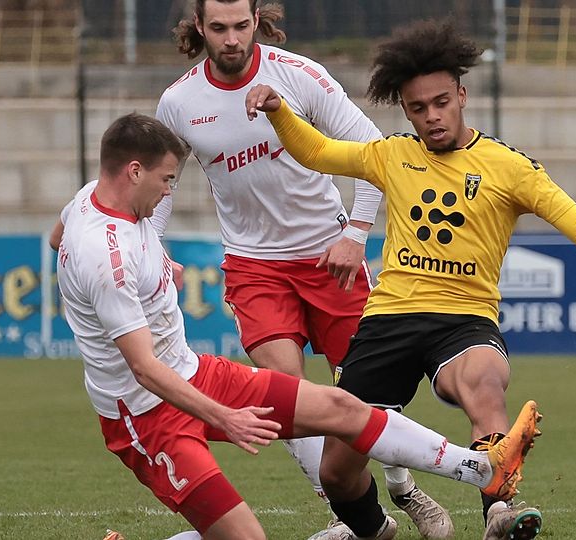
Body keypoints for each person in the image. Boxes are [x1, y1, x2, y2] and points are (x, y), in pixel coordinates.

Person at [245, 19, 576, 540]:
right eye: (418, 108)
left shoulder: (509, 167)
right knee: (336, 471)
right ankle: (374, 529)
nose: (432, 116)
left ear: (462, 96)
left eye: (441, 102)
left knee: (484, 384)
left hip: (464, 318)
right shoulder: (391, 155)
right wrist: (280, 111)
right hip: (389, 319)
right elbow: (317, 152)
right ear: (406, 110)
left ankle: (499, 509)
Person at [56, 112, 541, 540]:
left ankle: (483, 468)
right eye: (165, 179)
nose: (168, 191)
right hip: (146, 416)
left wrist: (156, 267)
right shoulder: (106, 259)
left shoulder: (87, 202)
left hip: (192, 373)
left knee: (341, 407)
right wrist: (224, 417)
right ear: (133, 171)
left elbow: (60, 236)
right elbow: (143, 368)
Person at [153, 2, 453, 537]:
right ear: (199, 27)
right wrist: (153, 248)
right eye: (218, 28)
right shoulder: (179, 102)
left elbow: (375, 152)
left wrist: (355, 234)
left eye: (240, 26)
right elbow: (160, 182)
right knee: (286, 394)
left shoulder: (300, 76)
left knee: (364, 392)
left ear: (256, 20)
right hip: (254, 266)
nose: (231, 39)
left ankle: (403, 485)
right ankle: (356, 518)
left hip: (328, 257)